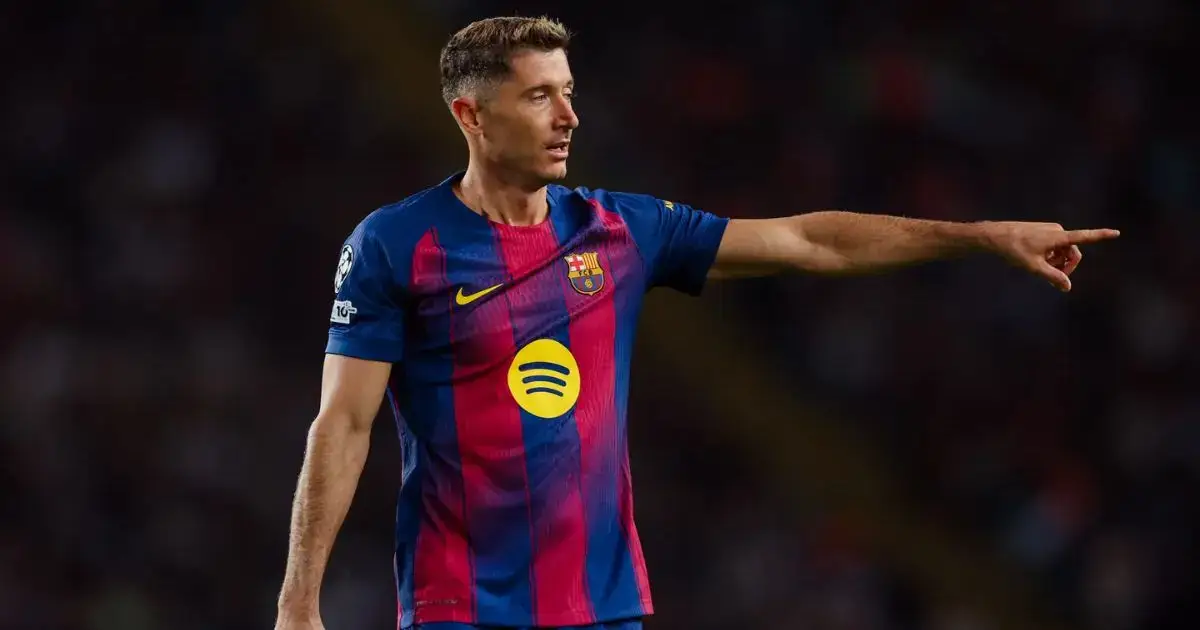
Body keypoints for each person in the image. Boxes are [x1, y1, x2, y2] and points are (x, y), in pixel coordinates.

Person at [274, 15, 1120, 630]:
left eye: (569, 94)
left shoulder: (620, 230)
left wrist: (983, 236)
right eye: (540, 97)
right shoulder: (396, 246)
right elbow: (343, 425)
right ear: (472, 115)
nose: (570, 117)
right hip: (457, 607)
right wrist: (298, 603)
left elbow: (808, 241)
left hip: (603, 607)